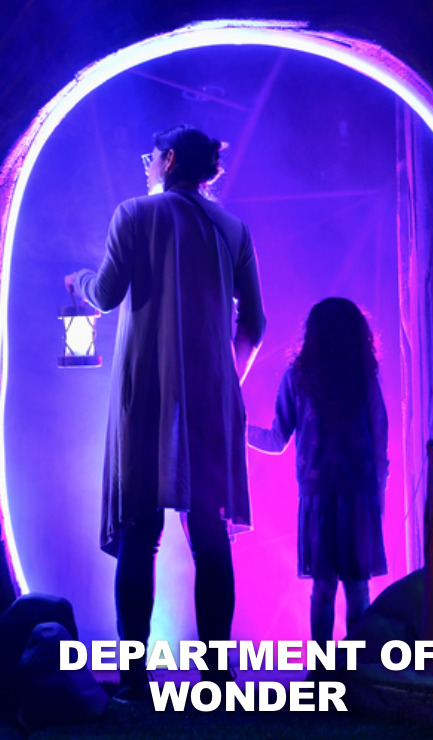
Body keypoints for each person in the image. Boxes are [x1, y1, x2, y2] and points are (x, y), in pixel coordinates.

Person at [65, 124, 266, 698]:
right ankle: (217, 678)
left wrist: (79, 281)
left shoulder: (134, 213)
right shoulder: (233, 228)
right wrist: (226, 379)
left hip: (147, 395)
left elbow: (106, 295)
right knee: (210, 533)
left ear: (169, 159)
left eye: (149, 157)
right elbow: (254, 324)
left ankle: (134, 678)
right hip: (211, 399)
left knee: (139, 531)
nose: (146, 164)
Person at [248, 298, 387, 651]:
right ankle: (354, 669)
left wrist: (239, 429)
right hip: (354, 496)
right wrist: (380, 497)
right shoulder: (361, 378)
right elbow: (380, 445)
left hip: (322, 498)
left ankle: (326, 670)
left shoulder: (299, 378)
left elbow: (276, 439)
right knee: (357, 589)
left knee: (325, 589)